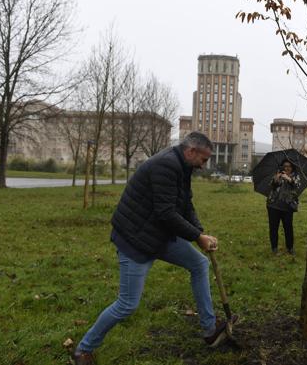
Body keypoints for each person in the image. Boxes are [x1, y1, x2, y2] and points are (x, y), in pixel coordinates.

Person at [73, 132, 238, 365]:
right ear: (191, 151)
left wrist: (200, 233)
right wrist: (196, 237)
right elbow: (166, 213)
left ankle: (210, 331)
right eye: (204, 159)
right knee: (127, 305)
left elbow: (185, 203)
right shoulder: (166, 165)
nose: (205, 165)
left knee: (199, 264)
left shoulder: (183, 166)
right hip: (135, 240)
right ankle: (83, 349)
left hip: (158, 235)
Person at [266, 159, 301, 255]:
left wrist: (288, 178)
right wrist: (276, 178)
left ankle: (290, 248)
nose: (286, 168)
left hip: (288, 207)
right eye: (284, 166)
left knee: (288, 228)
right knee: (273, 228)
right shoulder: (278, 174)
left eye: (289, 166)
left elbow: (297, 186)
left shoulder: (295, 176)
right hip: (273, 206)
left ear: (292, 167)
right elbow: (271, 186)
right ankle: (274, 248)